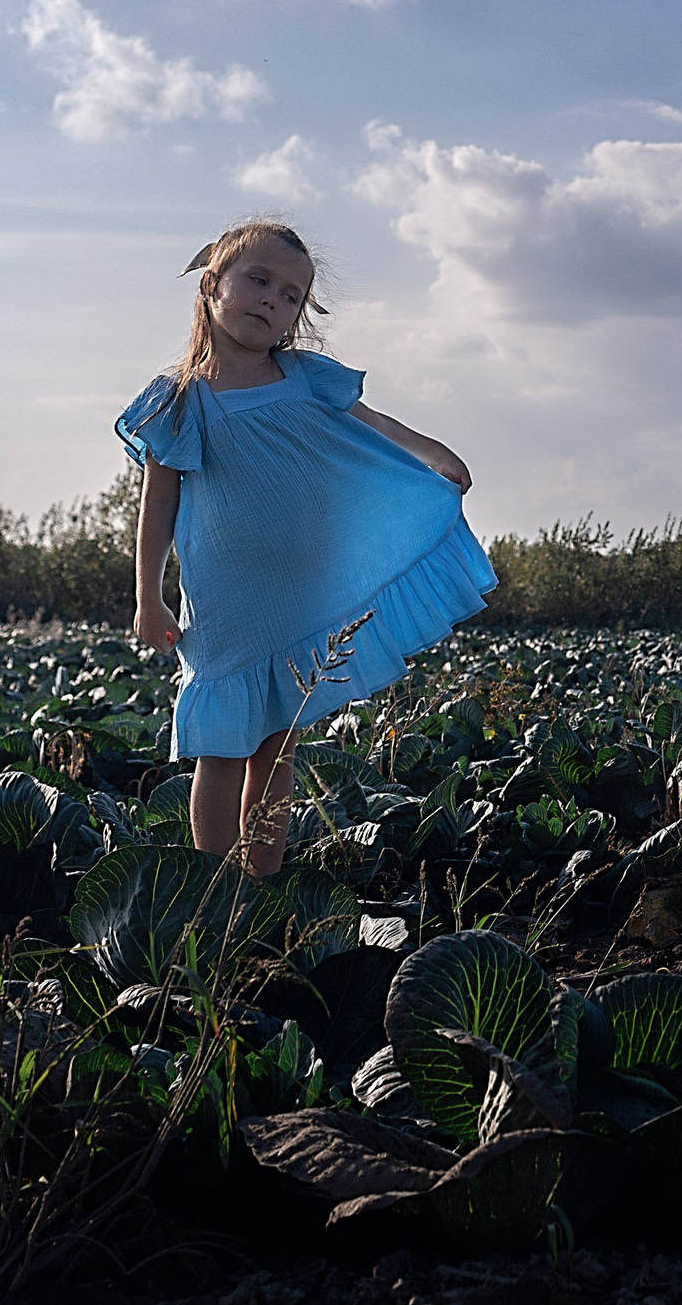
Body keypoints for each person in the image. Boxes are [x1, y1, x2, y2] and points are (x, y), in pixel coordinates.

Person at [117, 219, 495, 877]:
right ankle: (215, 889)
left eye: (291, 294)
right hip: (228, 605)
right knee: (223, 749)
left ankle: (258, 885)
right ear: (211, 286)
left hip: (302, 594)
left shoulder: (305, 378)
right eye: (258, 280)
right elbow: (158, 508)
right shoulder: (179, 402)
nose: (273, 299)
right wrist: (146, 597)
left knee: (278, 749)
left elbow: (375, 428)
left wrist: (430, 453)